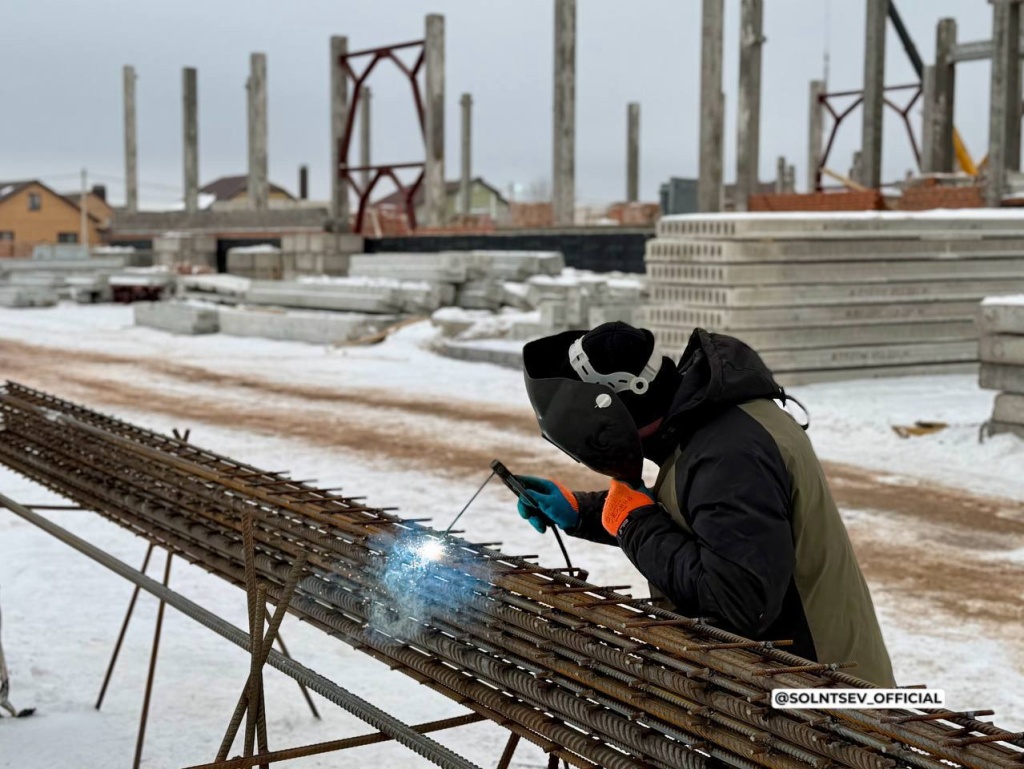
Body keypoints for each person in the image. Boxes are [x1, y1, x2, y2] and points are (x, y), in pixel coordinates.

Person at [517, 321, 895, 687]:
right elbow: (702, 522)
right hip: (783, 683)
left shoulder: (729, 454)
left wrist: (634, 524)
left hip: (823, 700)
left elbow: (737, 602)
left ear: (612, 408)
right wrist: (582, 511)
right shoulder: (704, 424)